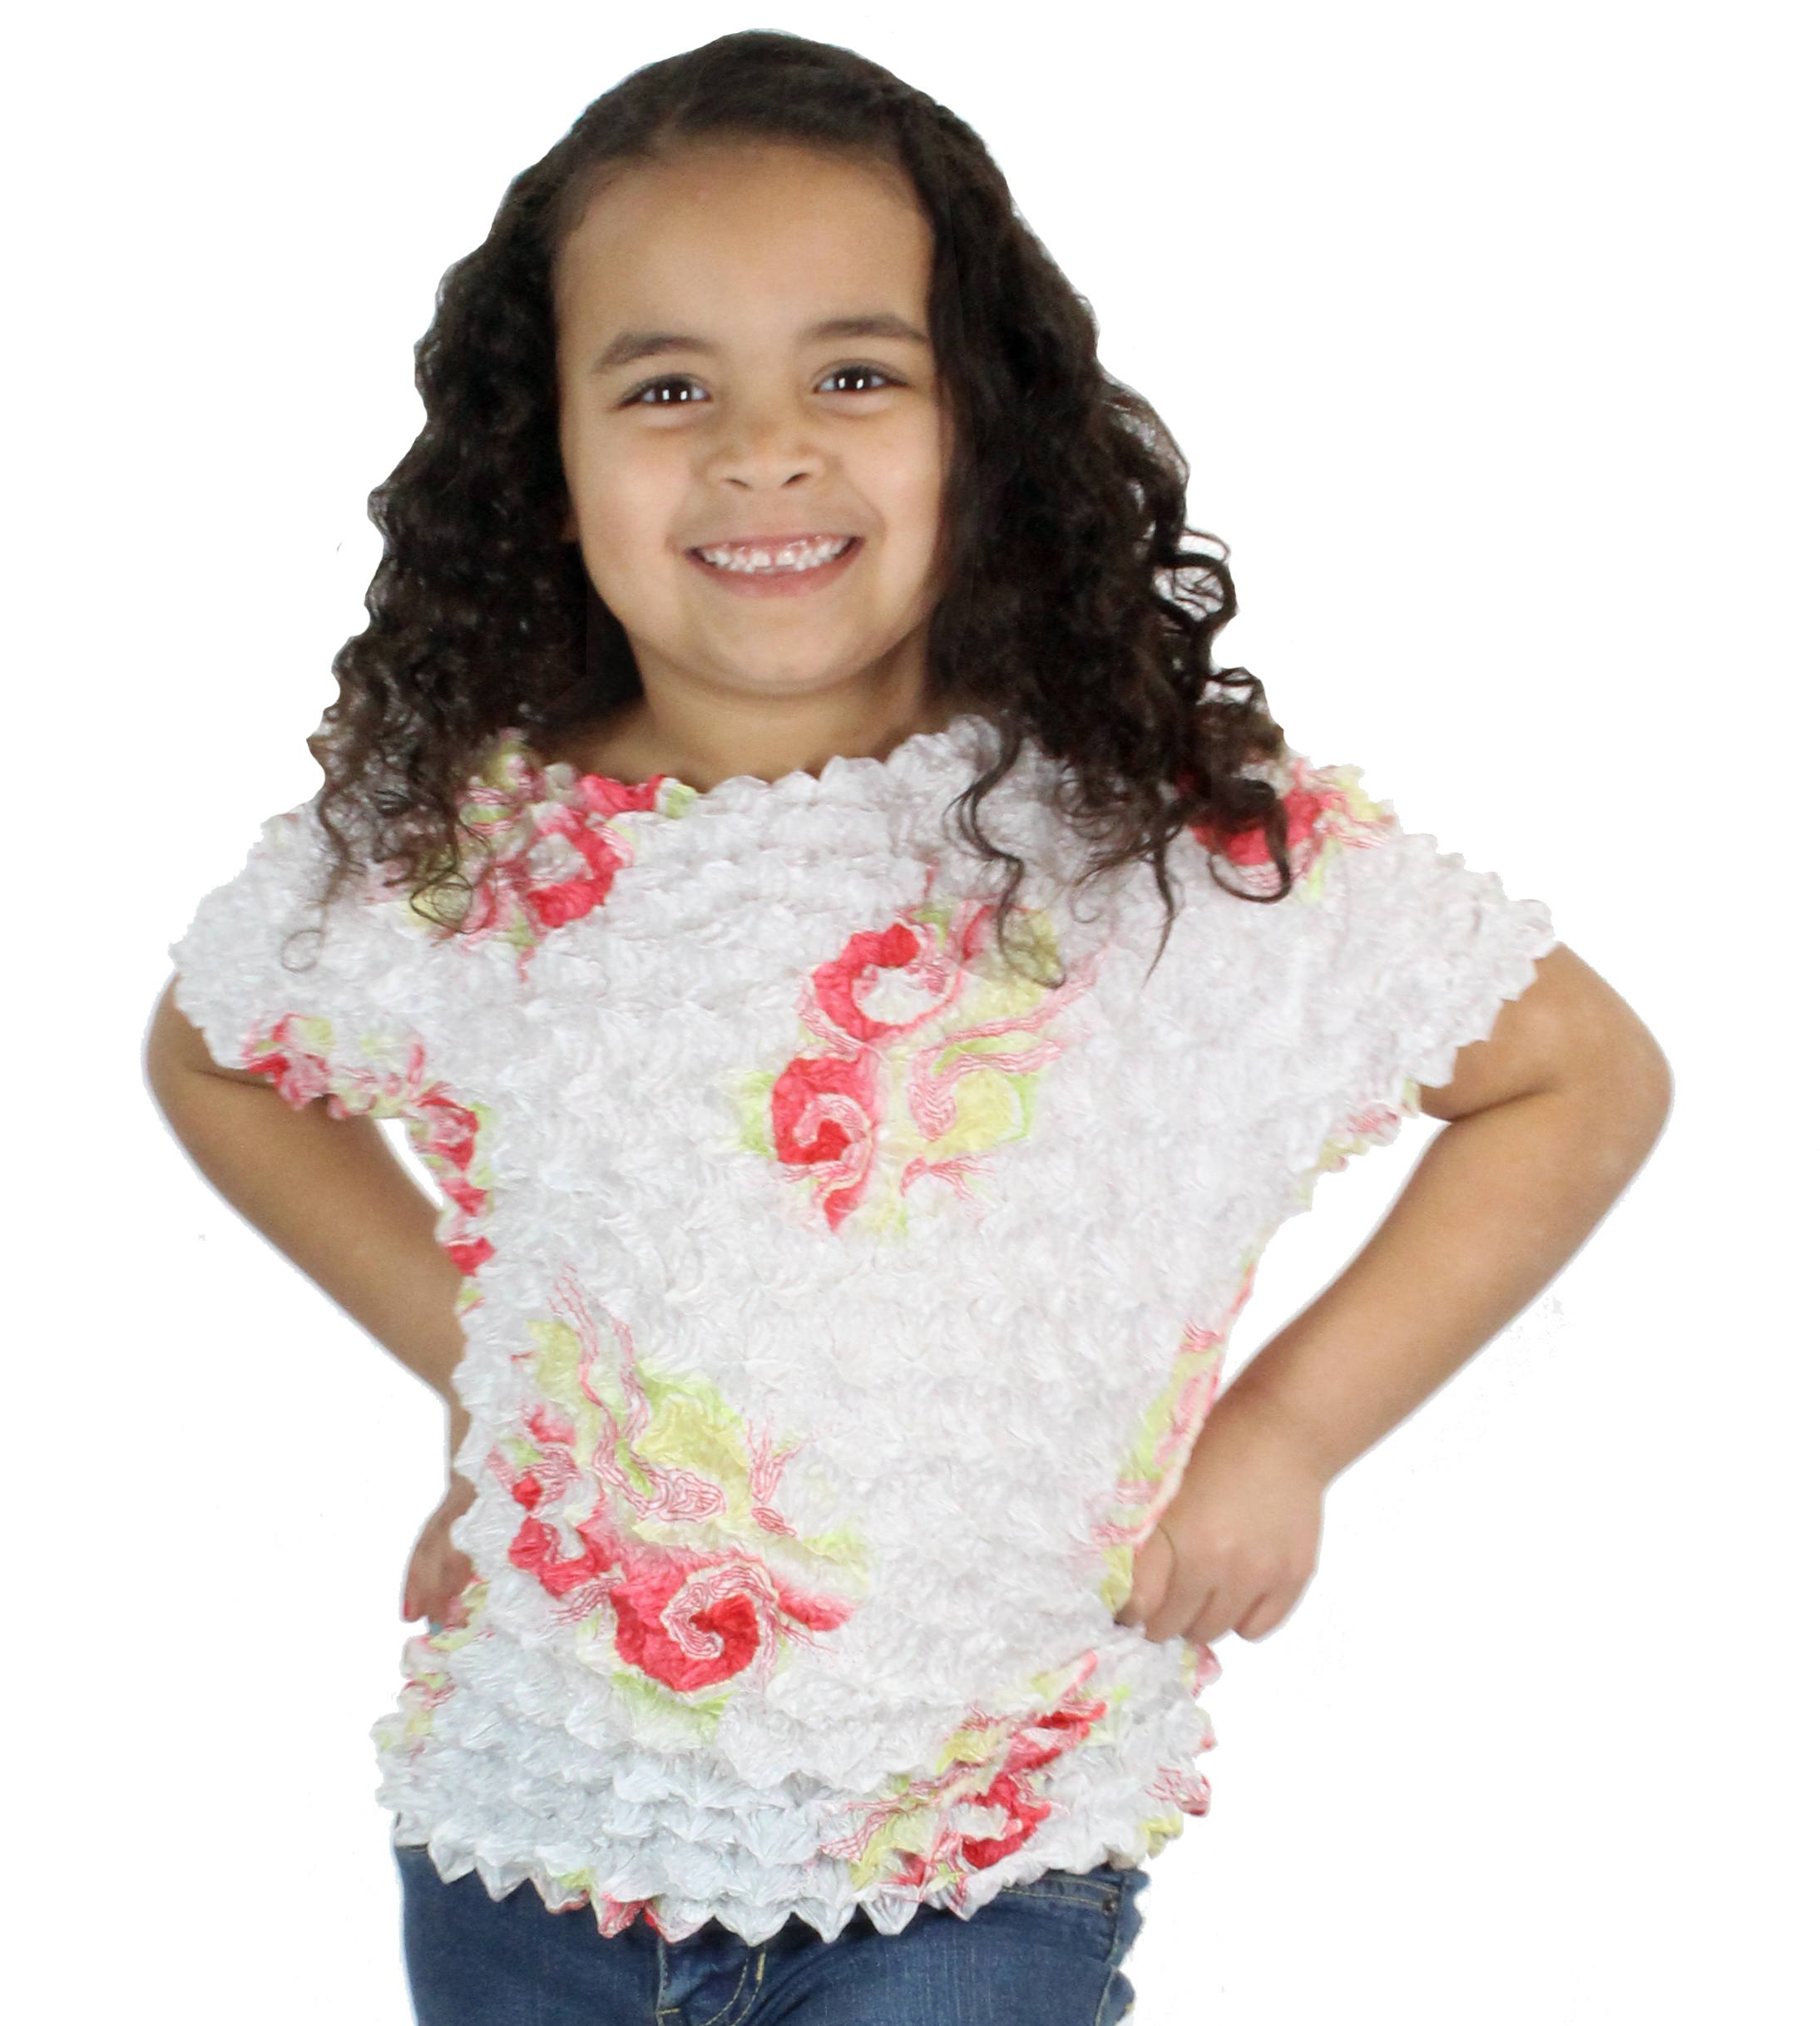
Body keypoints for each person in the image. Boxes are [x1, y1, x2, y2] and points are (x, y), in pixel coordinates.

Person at [145, 29, 1670, 2026]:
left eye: (856, 375)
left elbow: (1576, 1076)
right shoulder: (466, 850)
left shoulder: (1150, 843)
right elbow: (219, 1054)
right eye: (667, 388)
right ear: (547, 459)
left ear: (987, 424)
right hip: (527, 1849)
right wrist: (491, 1375)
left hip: (974, 1874)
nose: (763, 450)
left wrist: (1288, 1436)